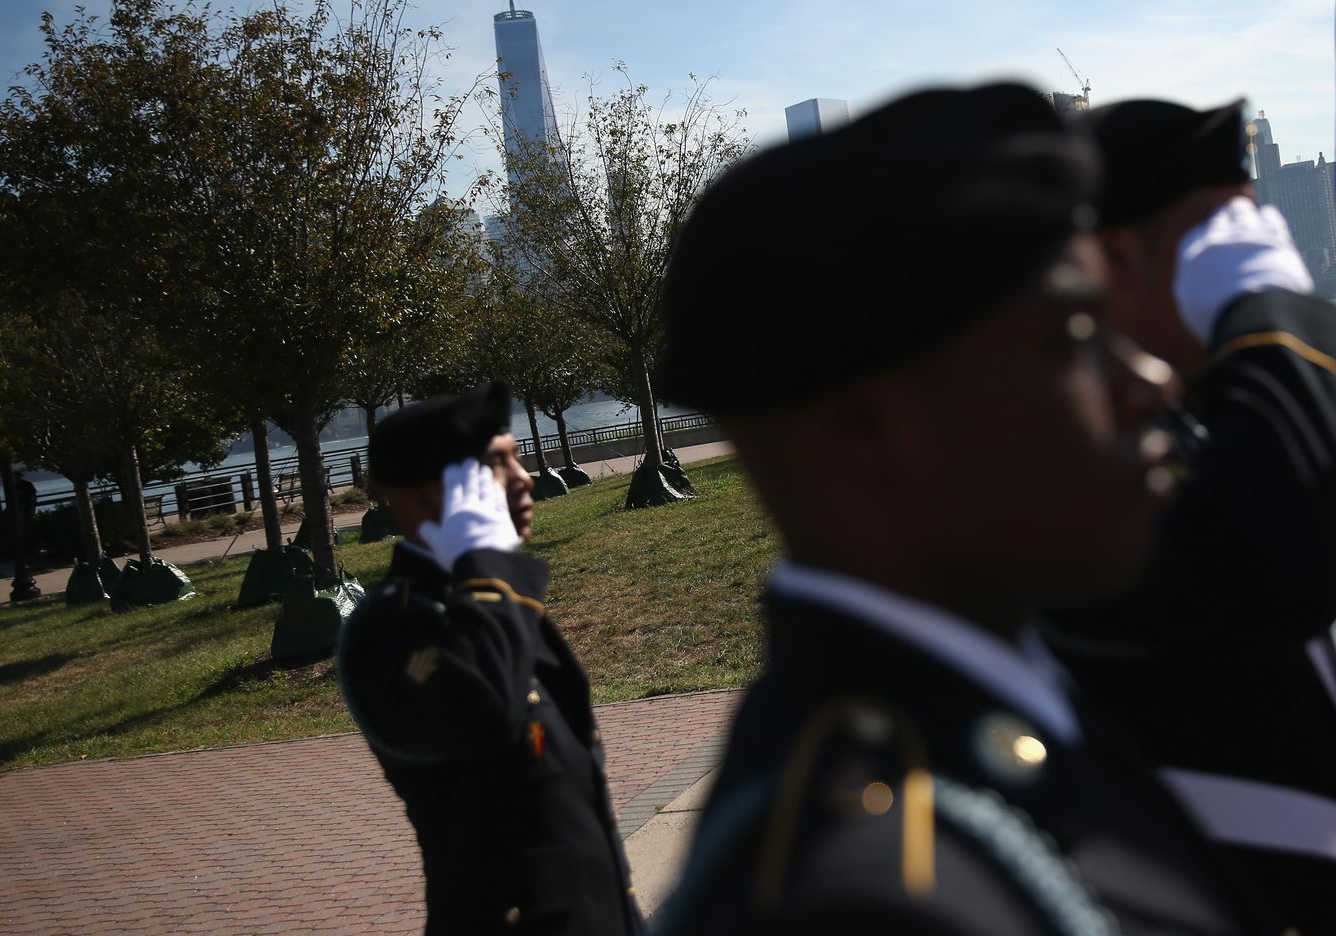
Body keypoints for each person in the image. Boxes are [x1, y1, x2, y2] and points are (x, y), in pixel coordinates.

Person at [656, 84, 1276, 934]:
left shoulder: (991, 705)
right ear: (866, 432)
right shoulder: (870, 901)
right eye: (1070, 339)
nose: (1150, 383)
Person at [1040, 98, 1336, 935]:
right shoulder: (1075, 458)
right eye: (1220, 236)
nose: (1257, 251)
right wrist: (1277, 319)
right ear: (1117, 257)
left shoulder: (1184, 414)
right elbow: (1271, 554)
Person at [336, 383, 641, 935]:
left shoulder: (490, 602)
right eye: (497, 464)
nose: (524, 478)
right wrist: (487, 565)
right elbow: (481, 708)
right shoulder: (392, 628)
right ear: (434, 499)